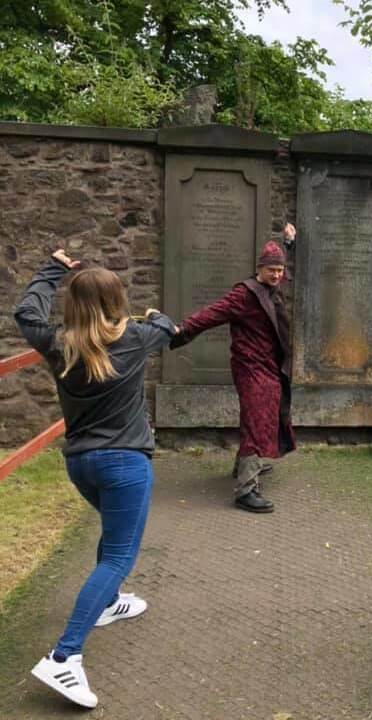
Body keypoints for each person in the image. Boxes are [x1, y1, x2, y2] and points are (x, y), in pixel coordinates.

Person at [15, 249, 178, 709]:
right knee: (119, 558)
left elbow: (25, 309)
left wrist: (53, 268)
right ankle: (64, 657)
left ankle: (107, 605)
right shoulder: (139, 336)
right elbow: (168, 328)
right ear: (117, 300)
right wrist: (158, 315)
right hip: (126, 465)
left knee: (114, 538)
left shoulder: (56, 342)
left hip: (81, 465)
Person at [170, 223, 297, 513]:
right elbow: (212, 313)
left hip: (269, 366)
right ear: (259, 269)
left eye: (280, 270)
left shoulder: (271, 286)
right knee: (257, 419)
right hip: (250, 367)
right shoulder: (245, 295)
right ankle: (245, 491)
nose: (277, 275)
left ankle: (245, 467)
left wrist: (288, 244)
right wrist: (183, 329)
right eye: (272, 270)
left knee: (262, 415)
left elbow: (285, 272)